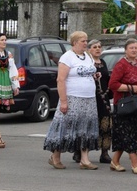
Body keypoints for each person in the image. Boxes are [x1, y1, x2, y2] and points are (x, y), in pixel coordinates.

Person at [43, 31, 100, 170]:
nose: (86, 43)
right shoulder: (67, 57)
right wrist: (63, 101)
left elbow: (89, 71)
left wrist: (94, 75)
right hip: (72, 97)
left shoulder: (87, 56)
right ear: (74, 43)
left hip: (89, 98)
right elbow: (60, 80)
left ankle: (84, 160)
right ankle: (55, 157)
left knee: (85, 127)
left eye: (86, 40)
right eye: (83, 41)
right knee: (65, 126)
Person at [107, 38, 137, 174]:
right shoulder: (121, 65)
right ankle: (135, 163)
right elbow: (113, 84)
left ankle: (115, 161)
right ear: (126, 50)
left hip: (136, 104)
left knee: (131, 134)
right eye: (131, 48)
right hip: (124, 105)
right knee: (127, 134)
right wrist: (130, 87)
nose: (134, 50)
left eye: (136, 48)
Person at [86, 39, 112, 165]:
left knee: (106, 125)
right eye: (94, 47)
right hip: (91, 97)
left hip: (103, 98)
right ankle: (80, 152)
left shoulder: (103, 62)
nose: (97, 49)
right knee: (89, 126)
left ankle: (105, 153)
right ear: (89, 49)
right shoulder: (87, 63)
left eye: (99, 47)